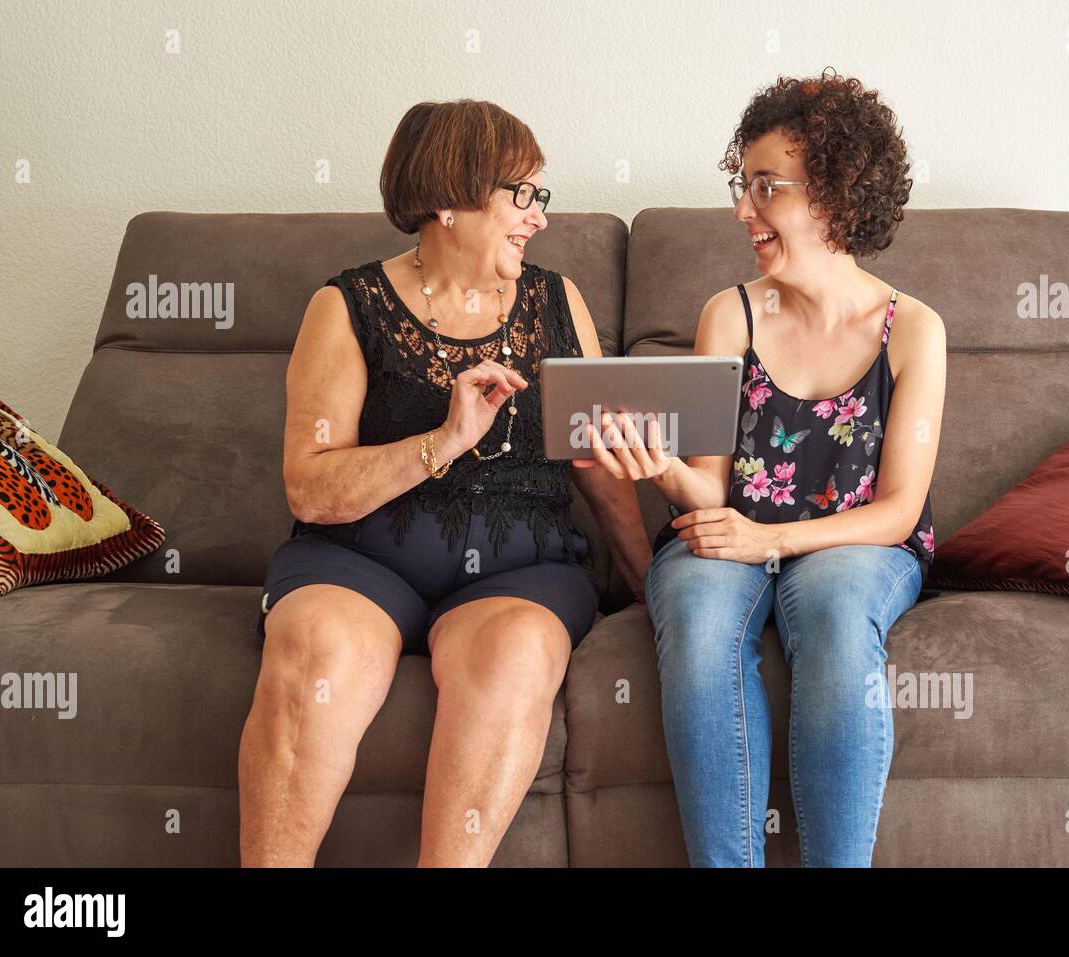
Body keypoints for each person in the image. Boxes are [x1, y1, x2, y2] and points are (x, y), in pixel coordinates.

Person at [238, 99, 652, 867]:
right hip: (359, 560)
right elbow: (310, 488)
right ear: (450, 201)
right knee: (316, 646)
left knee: (520, 650)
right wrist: (443, 440)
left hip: (519, 567)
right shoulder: (346, 306)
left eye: (540, 195)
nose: (538, 218)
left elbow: (593, 463)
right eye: (519, 195)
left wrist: (649, 583)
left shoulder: (557, 304)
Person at [580, 69, 944, 866]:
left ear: (834, 195)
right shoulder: (730, 313)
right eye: (742, 186)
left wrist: (770, 541)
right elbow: (707, 489)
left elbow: (899, 508)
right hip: (727, 530)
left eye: (766, 188)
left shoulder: (913, 330)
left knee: (842, 612)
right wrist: (663, 467)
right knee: (700, 613)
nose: (744, 210)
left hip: (856, 543)